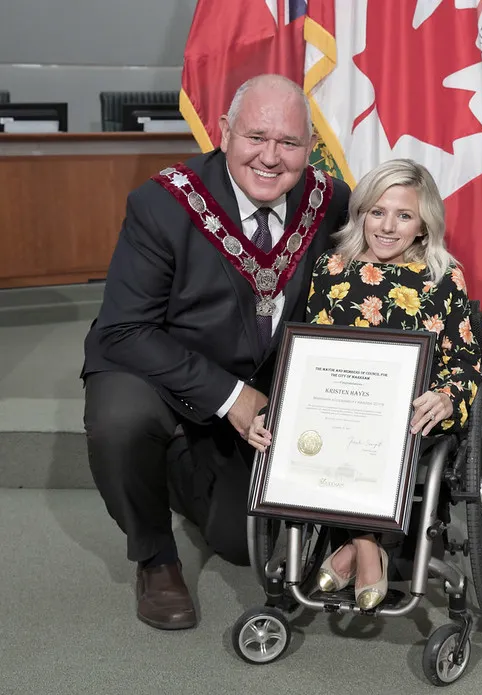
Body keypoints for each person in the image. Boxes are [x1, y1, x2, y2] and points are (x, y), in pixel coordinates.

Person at [81, 74, 351, 630]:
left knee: (240, 545)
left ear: (309, 147)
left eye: (290, 144)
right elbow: (123, 330)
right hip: (159, 374)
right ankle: (154, 556)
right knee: (120, 420)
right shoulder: (163, 204)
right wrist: (229, 398)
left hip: (262, 393)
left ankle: (185, 472)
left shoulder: (331, 202)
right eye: (256, 137)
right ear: (225, 132)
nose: (271, 158)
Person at [248, 158, 482, 610]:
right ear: (361, 214)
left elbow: (465, 362)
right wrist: (278, 407)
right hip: (340, 406)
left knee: (383, 429)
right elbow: (310, 352)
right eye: (378, 211)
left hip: (413, 413)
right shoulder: (331, 268)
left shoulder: (443, 276)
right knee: (335, 425)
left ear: (423, 224)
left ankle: (357, 547)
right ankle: (368, 546)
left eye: (404, 215)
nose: (388, 226)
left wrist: (447, 396)